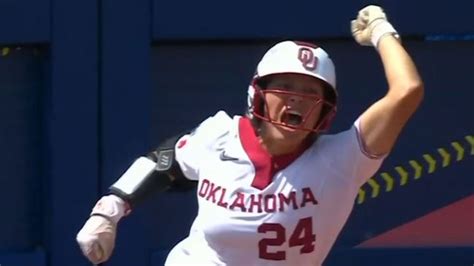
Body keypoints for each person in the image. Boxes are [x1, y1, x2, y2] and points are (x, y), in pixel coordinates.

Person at [76, 5, 424, 266]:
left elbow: (406, 90)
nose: (296, 98)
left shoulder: (343, 160)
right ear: (258, 94)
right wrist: (108, 211)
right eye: (284, 86)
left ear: (326, 108)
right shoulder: (220, 134)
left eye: (310, 92)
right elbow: (164, 163)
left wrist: (381, 30)